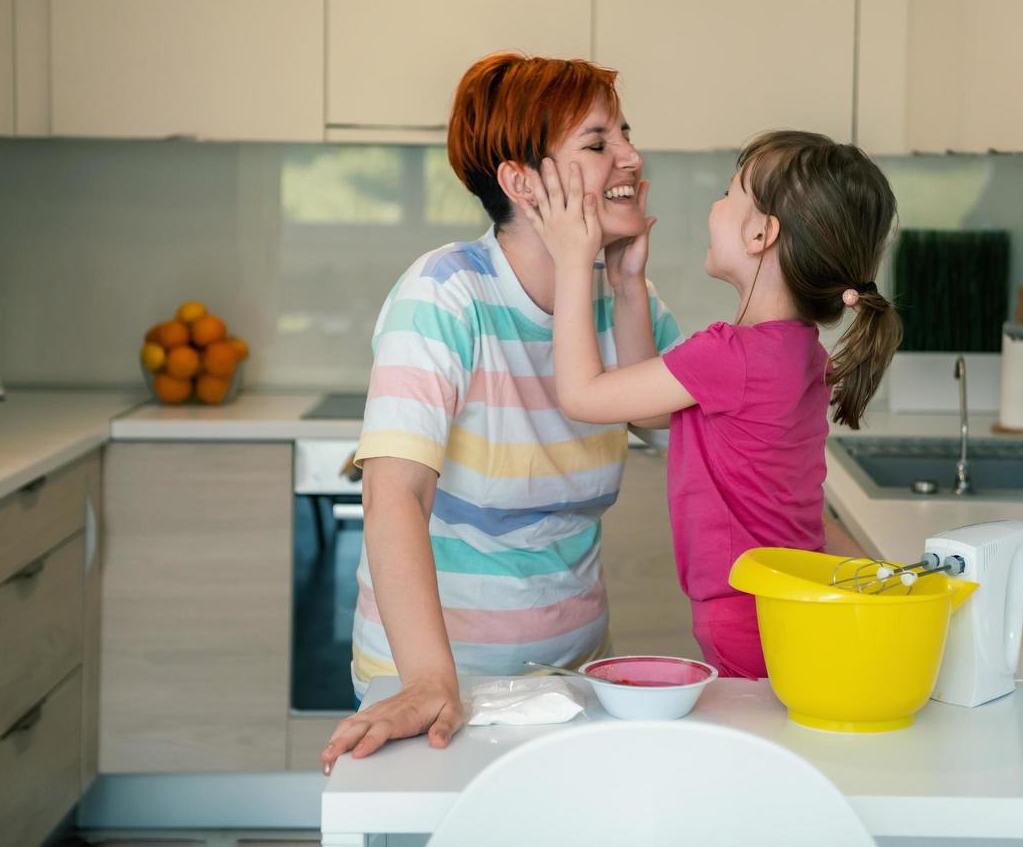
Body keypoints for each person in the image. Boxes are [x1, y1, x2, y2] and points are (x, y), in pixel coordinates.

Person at [319, 53, 681, 772]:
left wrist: (631, 288)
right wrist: (427, 681)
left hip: (573, 677)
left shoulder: (619, 297)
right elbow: (396, 493)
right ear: (521, 181)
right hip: (440, 681)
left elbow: (675, 424)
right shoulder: (445, 295)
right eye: (598, 142)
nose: (632, 157)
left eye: (626, 133)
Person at [524, 130, 903, 678]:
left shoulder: (730, 355)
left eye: (729, 193)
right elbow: (651, 410)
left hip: (744, 614)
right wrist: (629, 286)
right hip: (787, 604)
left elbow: (583, 395)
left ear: (759, 234)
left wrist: (573, 262)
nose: (715, 206)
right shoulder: (798, 353)